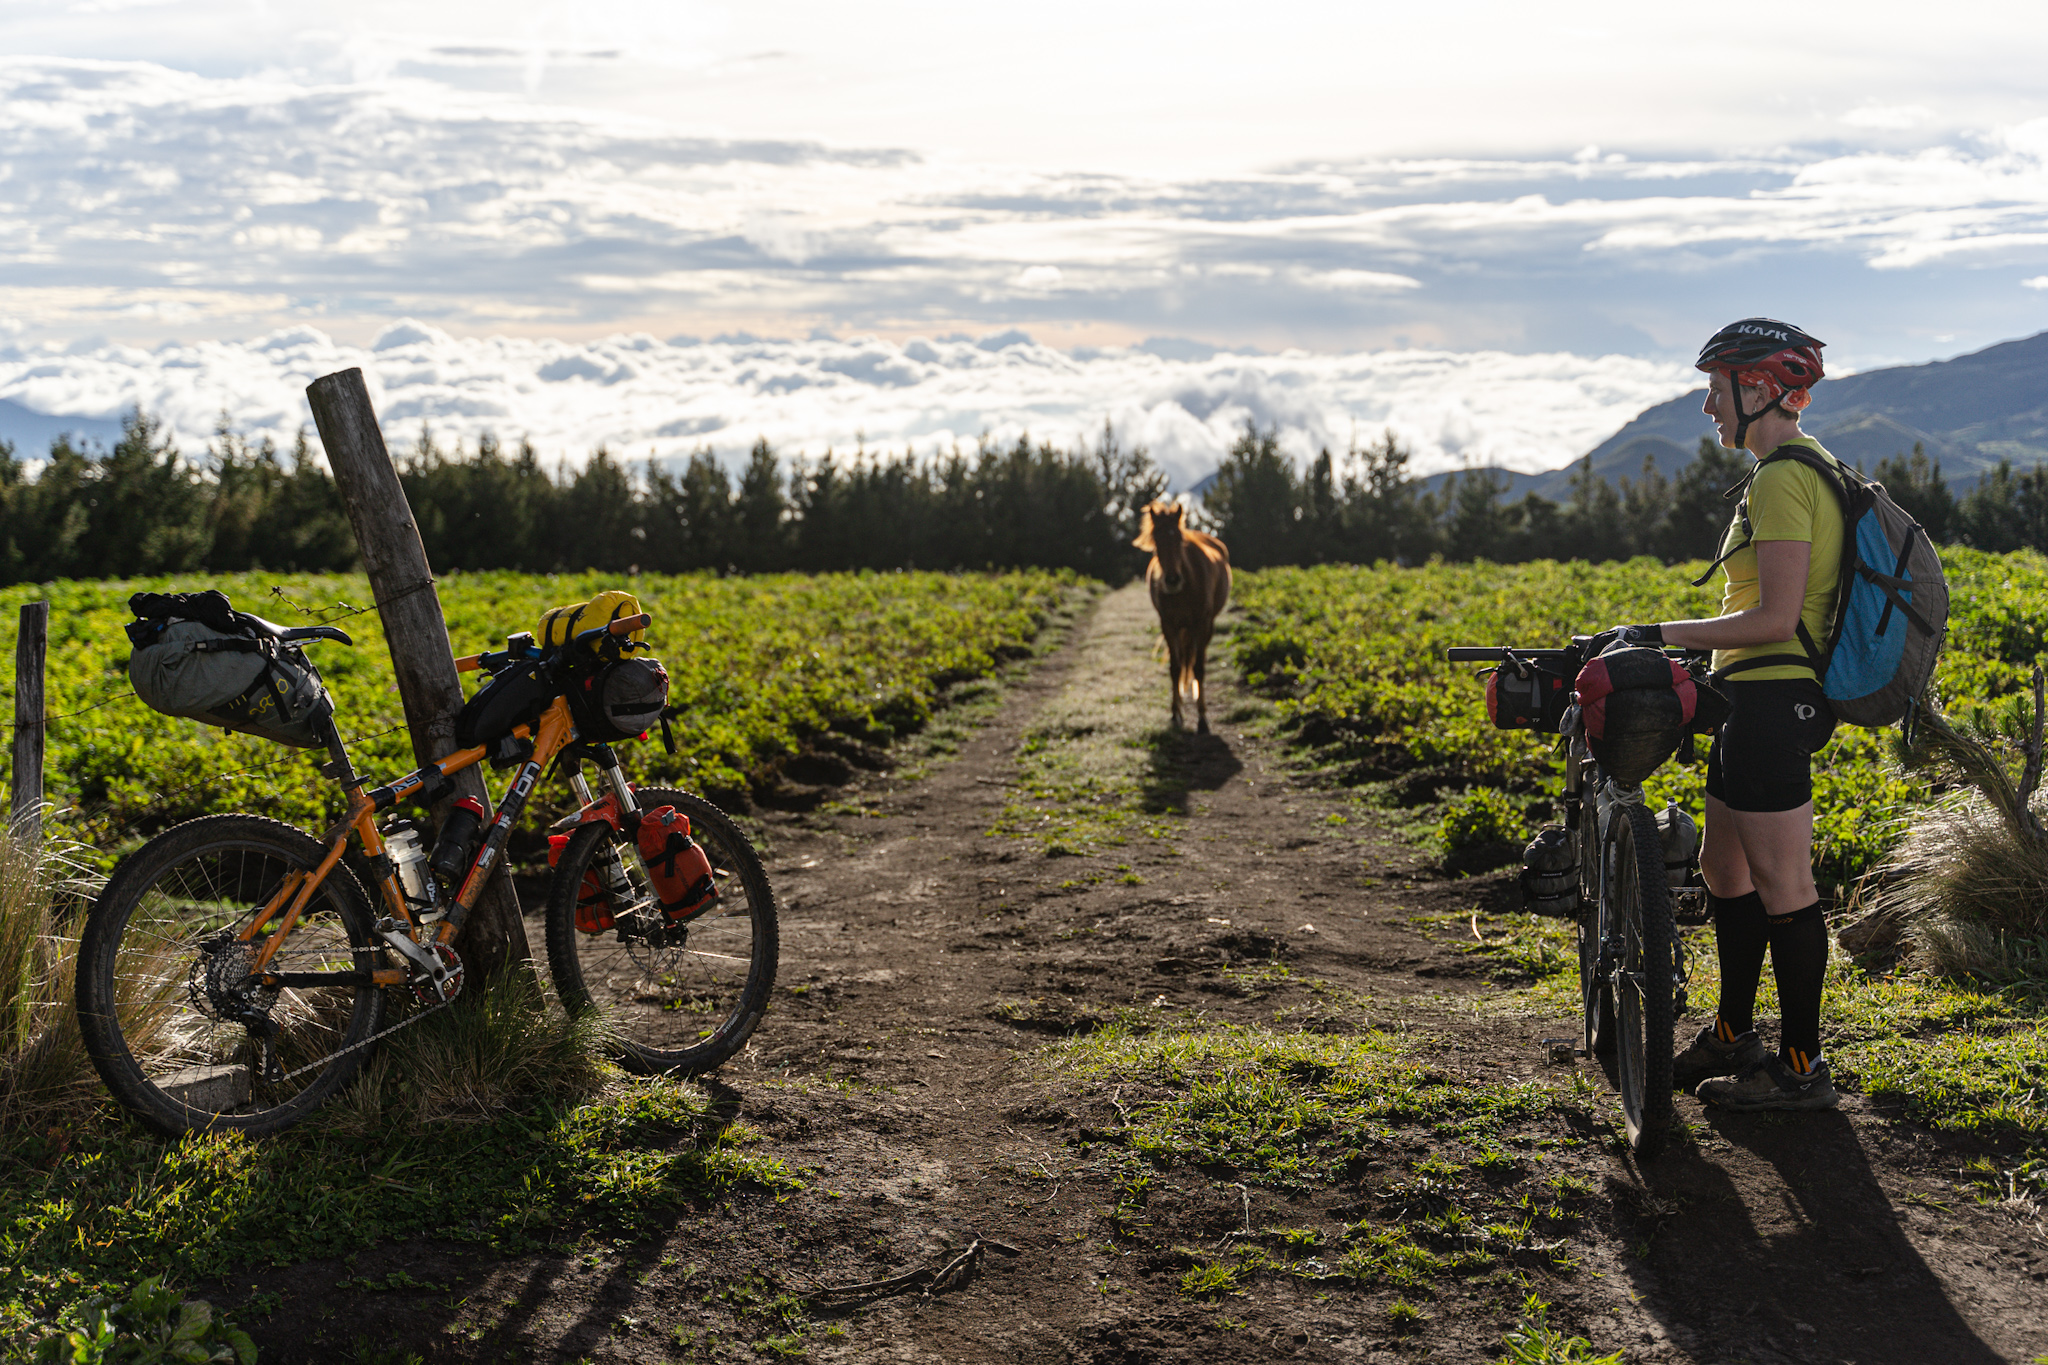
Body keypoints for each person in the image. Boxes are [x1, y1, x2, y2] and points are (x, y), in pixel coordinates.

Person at [1608, 318, 1841, 1112]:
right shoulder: (1788, 471)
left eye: (1716, 388)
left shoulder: (1784, 476)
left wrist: (1658, 633)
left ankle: (1803, 1068)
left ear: (1759, 390)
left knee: (1783, 880)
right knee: (1724, 869)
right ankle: (1734, 1033)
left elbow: (1777, 617)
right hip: (1746, 699)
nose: (1707, 405)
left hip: (1774, 696)